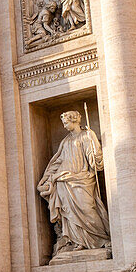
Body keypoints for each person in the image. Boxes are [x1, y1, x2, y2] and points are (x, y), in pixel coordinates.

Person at [37, 110, 111, 256]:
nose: (64, 126)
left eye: (66, 123)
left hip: (82, 179)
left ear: (74, 120)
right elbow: (58, 161)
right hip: (64, 180)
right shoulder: (66, 141)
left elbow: (94, 161)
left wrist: (95, 152)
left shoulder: (87, 135)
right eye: (63, 123)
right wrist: (47, 178)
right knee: (69, 212)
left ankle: (101, 239)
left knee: (87, 208)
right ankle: (77, 241)